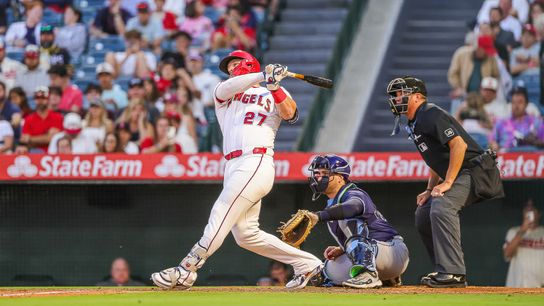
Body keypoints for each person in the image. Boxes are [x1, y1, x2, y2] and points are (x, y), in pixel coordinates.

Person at [150, 50, 323, 290]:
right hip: (233, 165)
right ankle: (309, 264)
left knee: (221, 209)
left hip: (256, 160)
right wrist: (265, 75)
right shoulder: (225, 92)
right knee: (246, 235)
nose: (231, 69)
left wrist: (274, 86)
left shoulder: (268, 91)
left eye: (235, 64)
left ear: (248, 63)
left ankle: (186, 269)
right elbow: (228, 87)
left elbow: (290, 114)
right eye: (229, 66)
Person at [385, 76, 504, 288]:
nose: (396, 98)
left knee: (442, 205)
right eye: (395, 95)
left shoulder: (429, 113)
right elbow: (435, 158)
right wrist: (430, 188)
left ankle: (454, 273)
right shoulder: (414, 122)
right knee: (423, 213)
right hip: (461, 172)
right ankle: (443, 269)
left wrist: (447, 182)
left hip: (476, 171)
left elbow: (458, 146)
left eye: (401, 93)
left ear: (417, 96)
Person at [302, 155, 409, 289]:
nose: (318, 177)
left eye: (325, 173)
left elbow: (353, 207)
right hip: (377, 258)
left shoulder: (353, 193)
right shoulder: (332, 205)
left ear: (340, 178)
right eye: (317, 173)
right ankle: (386, 278)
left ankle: (368, 274)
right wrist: (342, 249)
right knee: (322, 275)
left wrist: (319, 216)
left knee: (346, 220)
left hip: (392, 251)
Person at [503, 200, 544, 288]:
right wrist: (523, 230)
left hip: (539, 288)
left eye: (532, 209)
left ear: (539, 214)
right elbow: (507, 254)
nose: (529, 212)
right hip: (516, 286)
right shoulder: (513, 231)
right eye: (526, 209)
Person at [489, 87, 544, 152]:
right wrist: (493, 145)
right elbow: (491, 141)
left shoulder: (536, 123)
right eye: (514, 102)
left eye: (520, 102)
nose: (516, 105)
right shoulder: (501, 123)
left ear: (526, 104)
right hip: (506, 157)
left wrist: (534, 142)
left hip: (530, 158)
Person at [448, 35, 500, 100]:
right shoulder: (461, 54)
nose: (487, 53)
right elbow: (453, 74)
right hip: (463, 95)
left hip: (483, 98)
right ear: (478, 48)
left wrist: (490, 89)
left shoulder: (491, 57)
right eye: (485, 50)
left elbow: (495, 75)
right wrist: (458, 87)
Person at [18, 86, 63, 153]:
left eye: (43, 98)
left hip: (54, 153)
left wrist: (30, 139)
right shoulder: (29, 119)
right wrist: (46, 137)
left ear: (48, 99)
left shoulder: (58, 117)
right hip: (35, 154)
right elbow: (24, 140)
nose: (40, 101)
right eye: (37, 98)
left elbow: (53, 139)